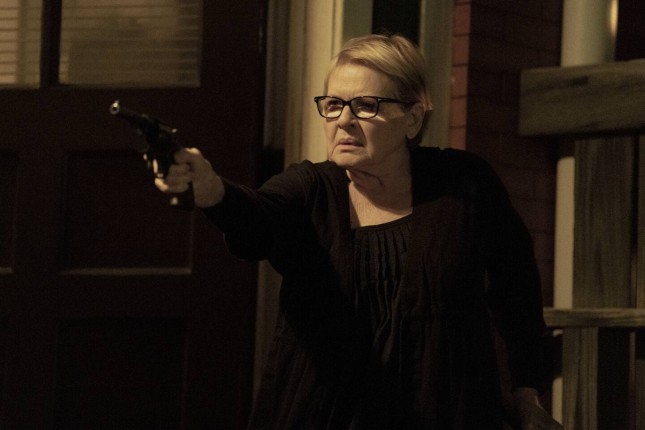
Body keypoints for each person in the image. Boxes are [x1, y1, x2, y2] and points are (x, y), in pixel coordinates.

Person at [156, 34, 562, 430]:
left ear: (412, 118)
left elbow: (518, 290)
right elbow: (256, 218)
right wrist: (211, 189)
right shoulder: (310, 189)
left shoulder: (464, 186)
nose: (344, 121)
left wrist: (527, 396)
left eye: (366, 106)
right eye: (333, 105)